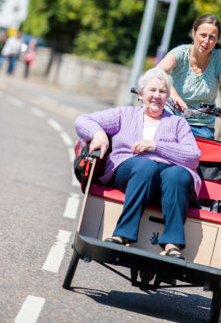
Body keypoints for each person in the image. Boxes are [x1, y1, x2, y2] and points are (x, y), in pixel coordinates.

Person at [75, 68, 202, 259]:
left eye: (162, 91)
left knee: (179, 175)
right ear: (141, 94)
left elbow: (193, 156)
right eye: (152, 90)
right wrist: (99, 134)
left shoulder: (178, 123)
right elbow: (82, 120)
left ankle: (172, 243)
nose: (156, 96)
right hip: (131, 171)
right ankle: (123, 234)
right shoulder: (124, 114)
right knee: (146, 167)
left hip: (169, 178)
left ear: (168, 96)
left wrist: (155, 146)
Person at [156, 14, 221, 139]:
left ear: (217, 40)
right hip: (170, 117)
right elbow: (156, 73)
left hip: (202, 126)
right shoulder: (180, 53)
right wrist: (173, 94)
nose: (206, 41)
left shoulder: (220, 58)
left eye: (212, 37)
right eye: (203, 35)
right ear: (194, 33)